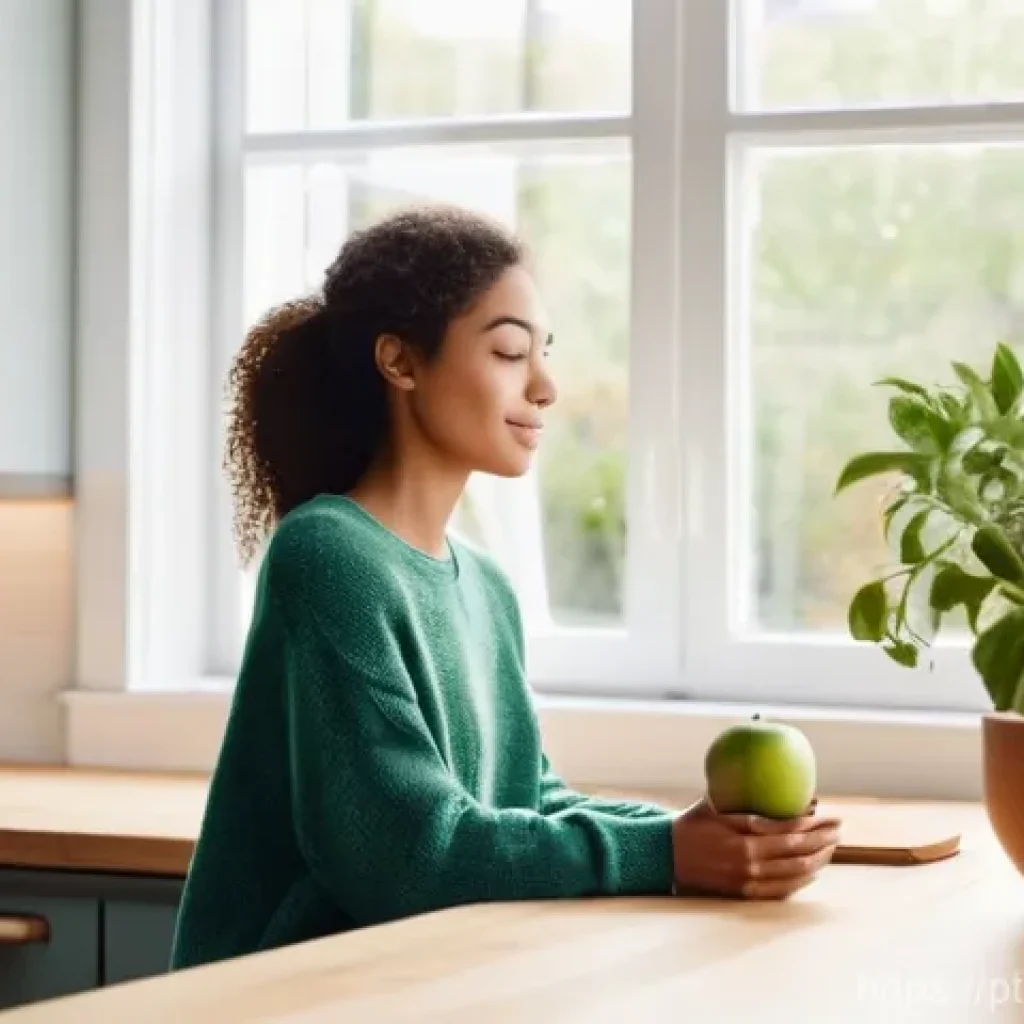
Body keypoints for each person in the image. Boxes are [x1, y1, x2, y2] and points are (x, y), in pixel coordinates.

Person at [169, 205, 841, 971]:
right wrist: (669, 851)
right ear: (401, 362)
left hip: (419, 983)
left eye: (543, 352)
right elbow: (410, 856)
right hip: (280, 997)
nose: (547, 386)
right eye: (510, 351)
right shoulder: (327, 556)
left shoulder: (484, 585)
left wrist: (710, 836)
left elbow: (529, 807)